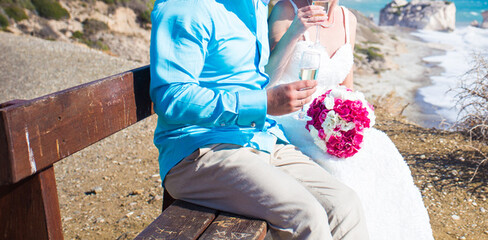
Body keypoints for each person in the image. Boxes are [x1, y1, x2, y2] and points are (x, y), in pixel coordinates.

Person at [148, 0, 369, 239]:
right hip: (201, 149)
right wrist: (264, 103)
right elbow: (172, 98)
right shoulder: (187, 7)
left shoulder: (256, 6)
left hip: (262, 139)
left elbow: (259, 77)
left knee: (346, 205)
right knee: (306, 216)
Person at [266, 0, 434, 239]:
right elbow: (268, 79)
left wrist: (350, 120)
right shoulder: (285, 10)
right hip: (291, 116)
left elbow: (347, 87)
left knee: (381, 152)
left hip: (332, 119)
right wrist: (294, 33)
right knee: (342, 174)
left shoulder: (348, 19)